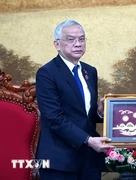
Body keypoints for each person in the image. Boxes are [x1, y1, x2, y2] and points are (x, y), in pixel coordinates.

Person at [36, 20, 114, 180]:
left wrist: (98, 113)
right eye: (71, 39)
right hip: (59, 160)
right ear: (57, 44)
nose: (78, 44)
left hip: (89, 159)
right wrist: (87, 140)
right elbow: (54, 118)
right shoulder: (46, 73)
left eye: (82, 39)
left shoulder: (89, 71)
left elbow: (83, 114)